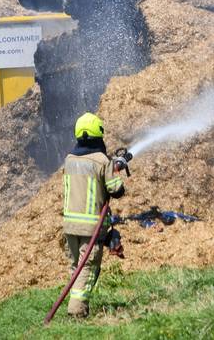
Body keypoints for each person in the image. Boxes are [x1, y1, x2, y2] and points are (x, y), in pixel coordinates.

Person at [61, 112, 125, 318]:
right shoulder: (101, 161)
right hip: (91, 228)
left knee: (75, 267)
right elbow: (116, 190)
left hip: (70, 225)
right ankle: (76, 311)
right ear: (99, 134)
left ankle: (76, 304)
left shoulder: (69, 160)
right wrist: (114, 171)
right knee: (87, 267)